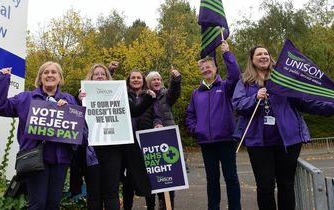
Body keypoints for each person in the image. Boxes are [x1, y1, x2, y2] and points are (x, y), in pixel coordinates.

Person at [232, 45, 334, 210]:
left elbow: (307, 101)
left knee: (286, 185)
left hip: (288, 141)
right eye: (259, 54)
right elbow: (238, 105)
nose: (263, 56)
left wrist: (331, 105)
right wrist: (254, 98)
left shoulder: (284, 79)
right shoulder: (244, 82)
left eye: (266, 53)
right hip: (258, 143)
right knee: (265, 187)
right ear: (252, 59)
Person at [0, 62, 77, 209]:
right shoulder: (26, 98)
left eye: (54, 72)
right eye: (46, 72)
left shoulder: (69, 100)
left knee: (53, 204)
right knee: (37, 205)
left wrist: (68, 112)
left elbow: (80, 130)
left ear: (60, 77)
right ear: (40, 77)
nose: (50, 75)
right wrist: (3, 79)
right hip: (35, 161)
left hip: (60, 161)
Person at [185, 41, 242, 210]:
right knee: (212, 179)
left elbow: (235, 75)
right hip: (206, 143)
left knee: (231, 177)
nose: (206, 70)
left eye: (209, 67)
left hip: (226, 140)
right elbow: (190, 115)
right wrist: (196, 130)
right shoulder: (196, 93)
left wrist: (227, 54)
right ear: (200, 72)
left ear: (215, 69)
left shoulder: (226, 87)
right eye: (203, 68)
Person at [78, 63, 120, 210]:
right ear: (91, 77)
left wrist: (148, 99)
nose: (100, 76)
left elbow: (132, 111)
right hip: (91, 152)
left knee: (111, 193)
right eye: (97, 74)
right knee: (94, 193)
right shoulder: (82, 95)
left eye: (103, 74)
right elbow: (74, 116)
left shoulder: (118, 94)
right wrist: (79, 100)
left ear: (107, 77)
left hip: (112, 149)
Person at [121, 69, 162, 210]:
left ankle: (151, 207)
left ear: (143, 81)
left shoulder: (150, 95)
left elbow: (157, 115)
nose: (136, 80)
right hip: (128, 143)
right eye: (133, 77)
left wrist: (158, 124)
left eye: (139, 77)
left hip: (146, 141)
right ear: (129, 80)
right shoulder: (123, 95)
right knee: (129, 181)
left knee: (148, 177)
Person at [143, 68, 181, 210]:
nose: (157, 81)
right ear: (148, 82)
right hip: (150, 141)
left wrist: (175, 80)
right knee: (153, 175)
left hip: (167, 139)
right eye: (153, 79)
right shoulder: (144, 96)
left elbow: (175, 92)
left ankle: (167, 205)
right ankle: (153, 204)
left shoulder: (166, 95)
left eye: (158, 79)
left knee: (169, 175)